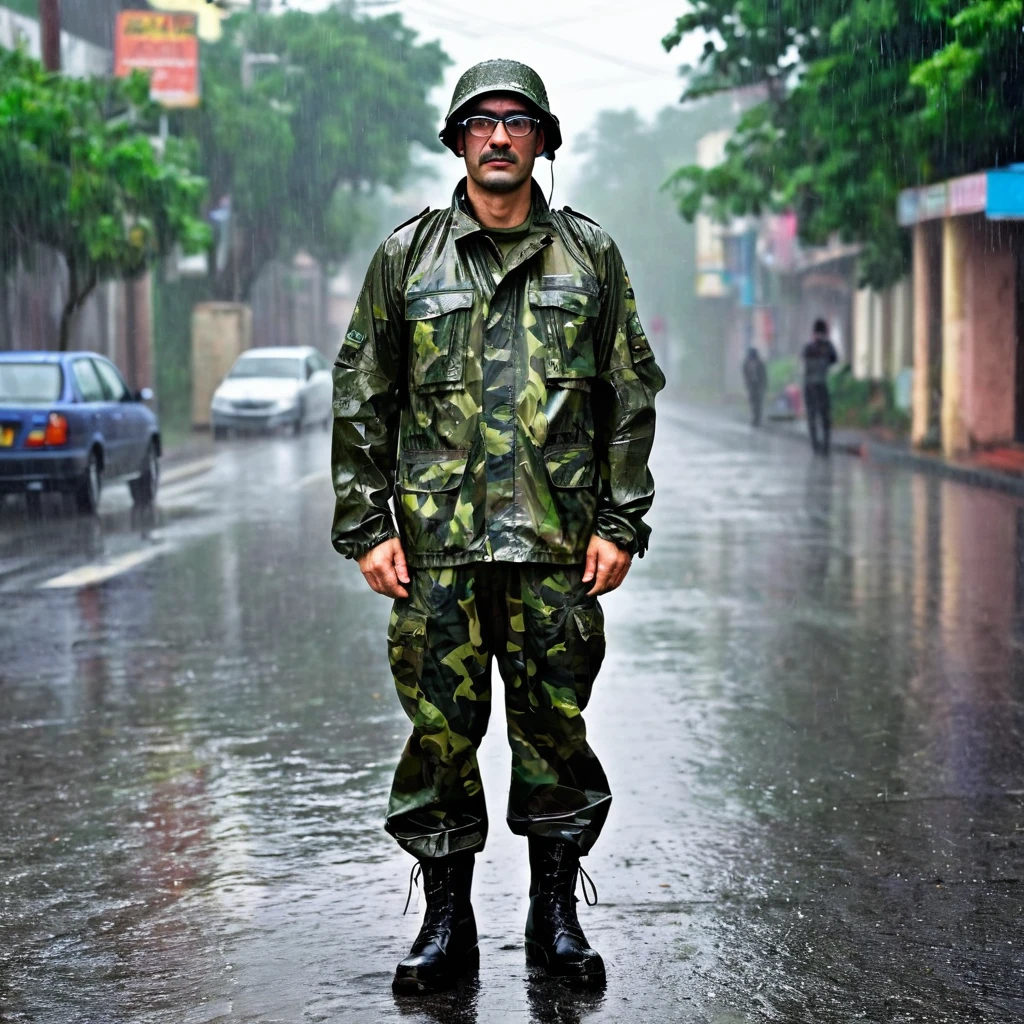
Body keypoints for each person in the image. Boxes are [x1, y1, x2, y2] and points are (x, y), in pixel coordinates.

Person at [330, 59, 665, 995]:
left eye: (519, 121)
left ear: (544, 141)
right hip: (435, 556)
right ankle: (447, 923)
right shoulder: (408, 258)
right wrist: (367, 527)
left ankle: (554, 917)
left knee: (556, 732)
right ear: (458, 141)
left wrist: (619, 523)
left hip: (558, 552)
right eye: (482, 121)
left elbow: (628, 397)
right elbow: (362, 397)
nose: (501, 135)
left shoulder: (589, 258)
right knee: (440, 738)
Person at [802, 319, 838, 454]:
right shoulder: (823, 347)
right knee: (820, 416)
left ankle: (820, 445)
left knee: (819, 416)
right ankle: (820, 445)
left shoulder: (811, 346)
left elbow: (833, 359)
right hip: (816, 385)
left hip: (813, 385)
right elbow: (834, 359)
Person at [742, 346, 767, 427]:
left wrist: (764, 386)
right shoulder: (746, 364)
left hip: (759, 386)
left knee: (759, 403)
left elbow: (764, 376)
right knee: (752, 402)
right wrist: (747, 385)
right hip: (751, 386)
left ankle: (758, 419)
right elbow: (745, 375)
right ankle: (753, 419)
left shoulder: (760, 364)